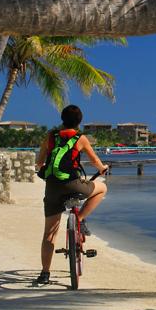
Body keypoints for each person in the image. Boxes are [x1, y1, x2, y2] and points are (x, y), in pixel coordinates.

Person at [34, 104, 109, 286]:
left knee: (49, 234)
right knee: (102, 189)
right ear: (79, 121)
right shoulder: (80, 138)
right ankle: (81, 219)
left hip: (52, 187)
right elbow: (94, 160)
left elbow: (39, 162)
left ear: (62, 118)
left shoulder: (50, 136)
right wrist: (102, 169)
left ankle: (45, 274)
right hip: (73, 184)